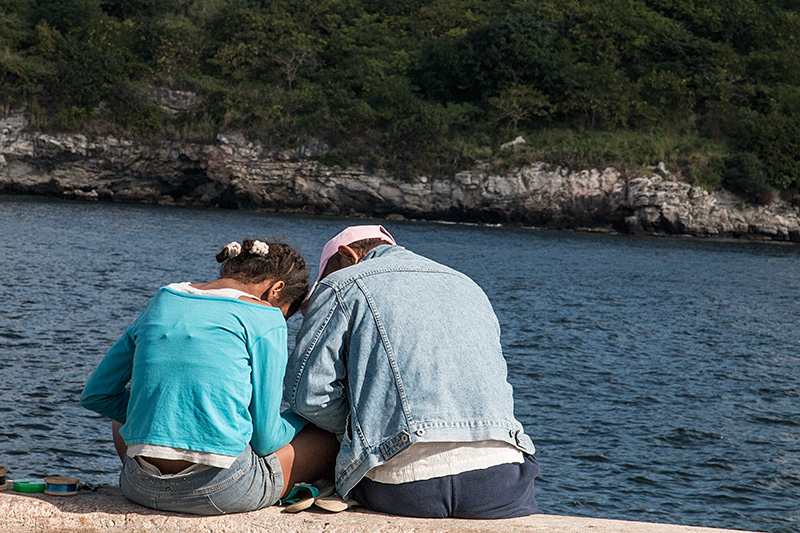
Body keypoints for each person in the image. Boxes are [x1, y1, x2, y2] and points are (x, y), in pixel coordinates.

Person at [284, 225, 539, 519]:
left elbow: (308, 397)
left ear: (347, 255)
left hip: (405, 488)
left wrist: (361, 425)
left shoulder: (341, 284)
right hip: (503, 485)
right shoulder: (467, 284)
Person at [81, 238, 339, 515]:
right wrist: (302, 417)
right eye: (285, 312)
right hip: (221, 491)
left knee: (129, 407)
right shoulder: (265, 316)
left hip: (139, 486)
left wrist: (160, 412)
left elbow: (98, 395)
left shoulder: (164, 299)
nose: (281, 318)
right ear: (276, 290)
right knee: (328, 435)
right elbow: (267, 439)